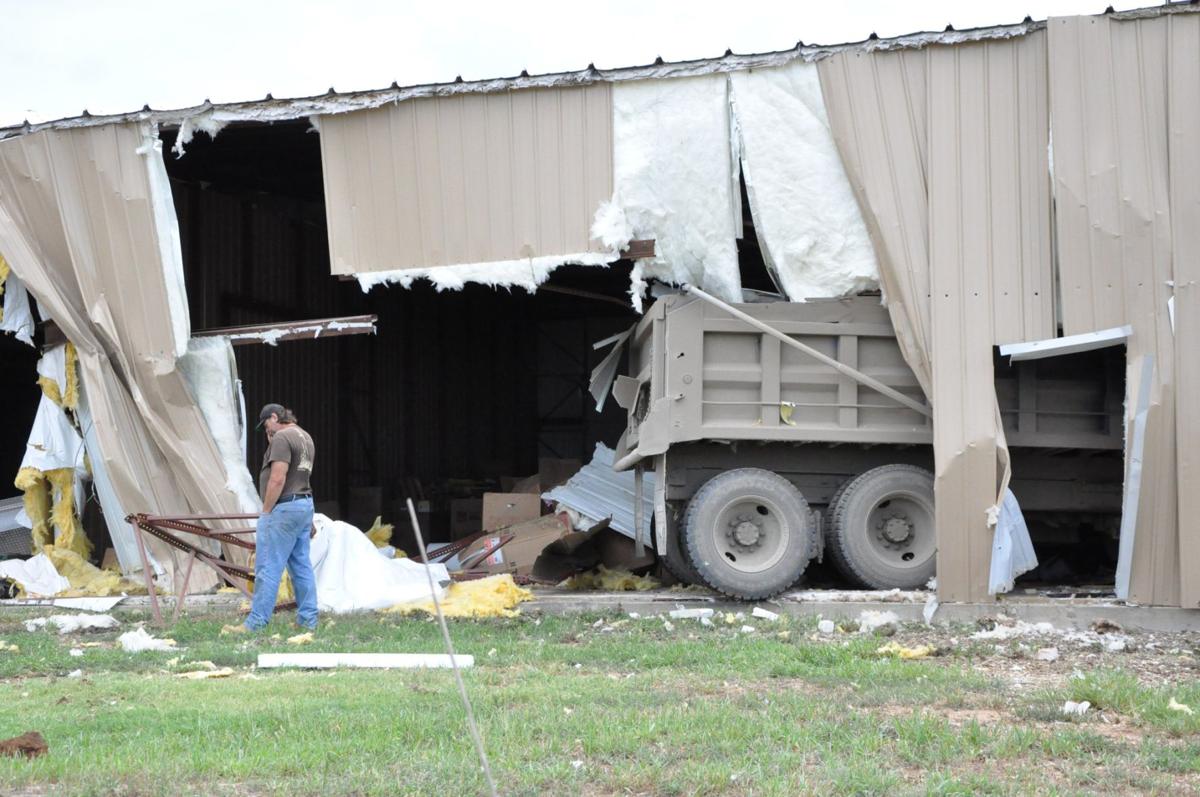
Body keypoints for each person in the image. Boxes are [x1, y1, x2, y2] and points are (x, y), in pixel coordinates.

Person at [244, 403, 318, 631]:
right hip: (303, 504)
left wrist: (266, 511)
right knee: (301, 566)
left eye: (266, 425)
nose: (266, 431)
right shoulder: (305, 437)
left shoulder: (282, 438)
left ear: (274, 417)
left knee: (267, 566)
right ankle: (308, 620)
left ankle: (256, 622)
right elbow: (301, 477)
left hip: (284, 508)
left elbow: (278, 479)